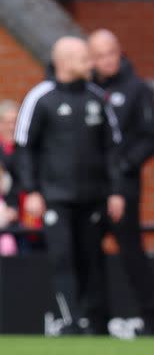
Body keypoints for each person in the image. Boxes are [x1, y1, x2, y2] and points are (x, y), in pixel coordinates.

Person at [15, 36, 124, 335]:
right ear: (64, 62)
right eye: (84, 58)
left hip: (93, 197)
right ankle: (70, 319)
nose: (91, 63)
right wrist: (32, 190)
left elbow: (113, 148)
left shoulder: (96, 97)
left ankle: (94, 321)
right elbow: (24, 147)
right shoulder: (41, 97)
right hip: (55, 197)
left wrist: (115, 190)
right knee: (62, 257)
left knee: (91, 257)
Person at [88, 28, 154, 336]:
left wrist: (126, 166)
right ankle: (96, 319)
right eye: (99, 55)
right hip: (89, 186)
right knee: (87, 251)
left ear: (120, 52)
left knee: (131, 251)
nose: (106, 61)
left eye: (110, 53)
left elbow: (148, 135)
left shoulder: (137, 89)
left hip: (124, 185)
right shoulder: (85, 89)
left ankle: (148, 316)